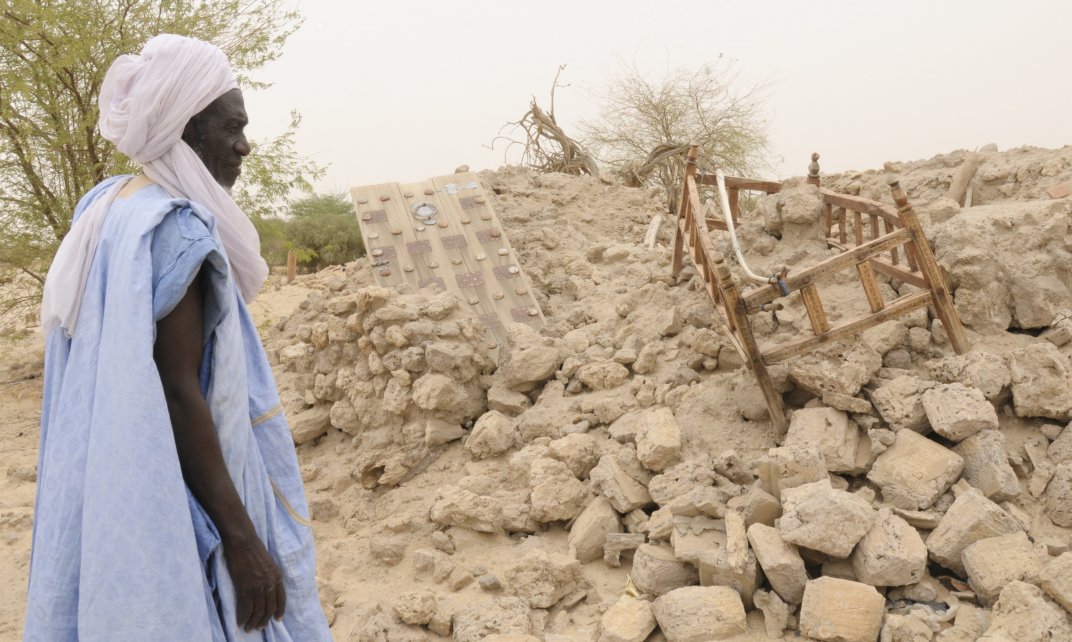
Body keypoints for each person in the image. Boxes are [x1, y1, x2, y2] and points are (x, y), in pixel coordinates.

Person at [25, 34, 331, 641]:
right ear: (185, 130)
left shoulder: (108, 206)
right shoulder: (175, 228)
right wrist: (242, 542)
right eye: (231, 127)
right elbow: (176, 391)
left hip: (101, 481)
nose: (245, 144)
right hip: (172, 490)